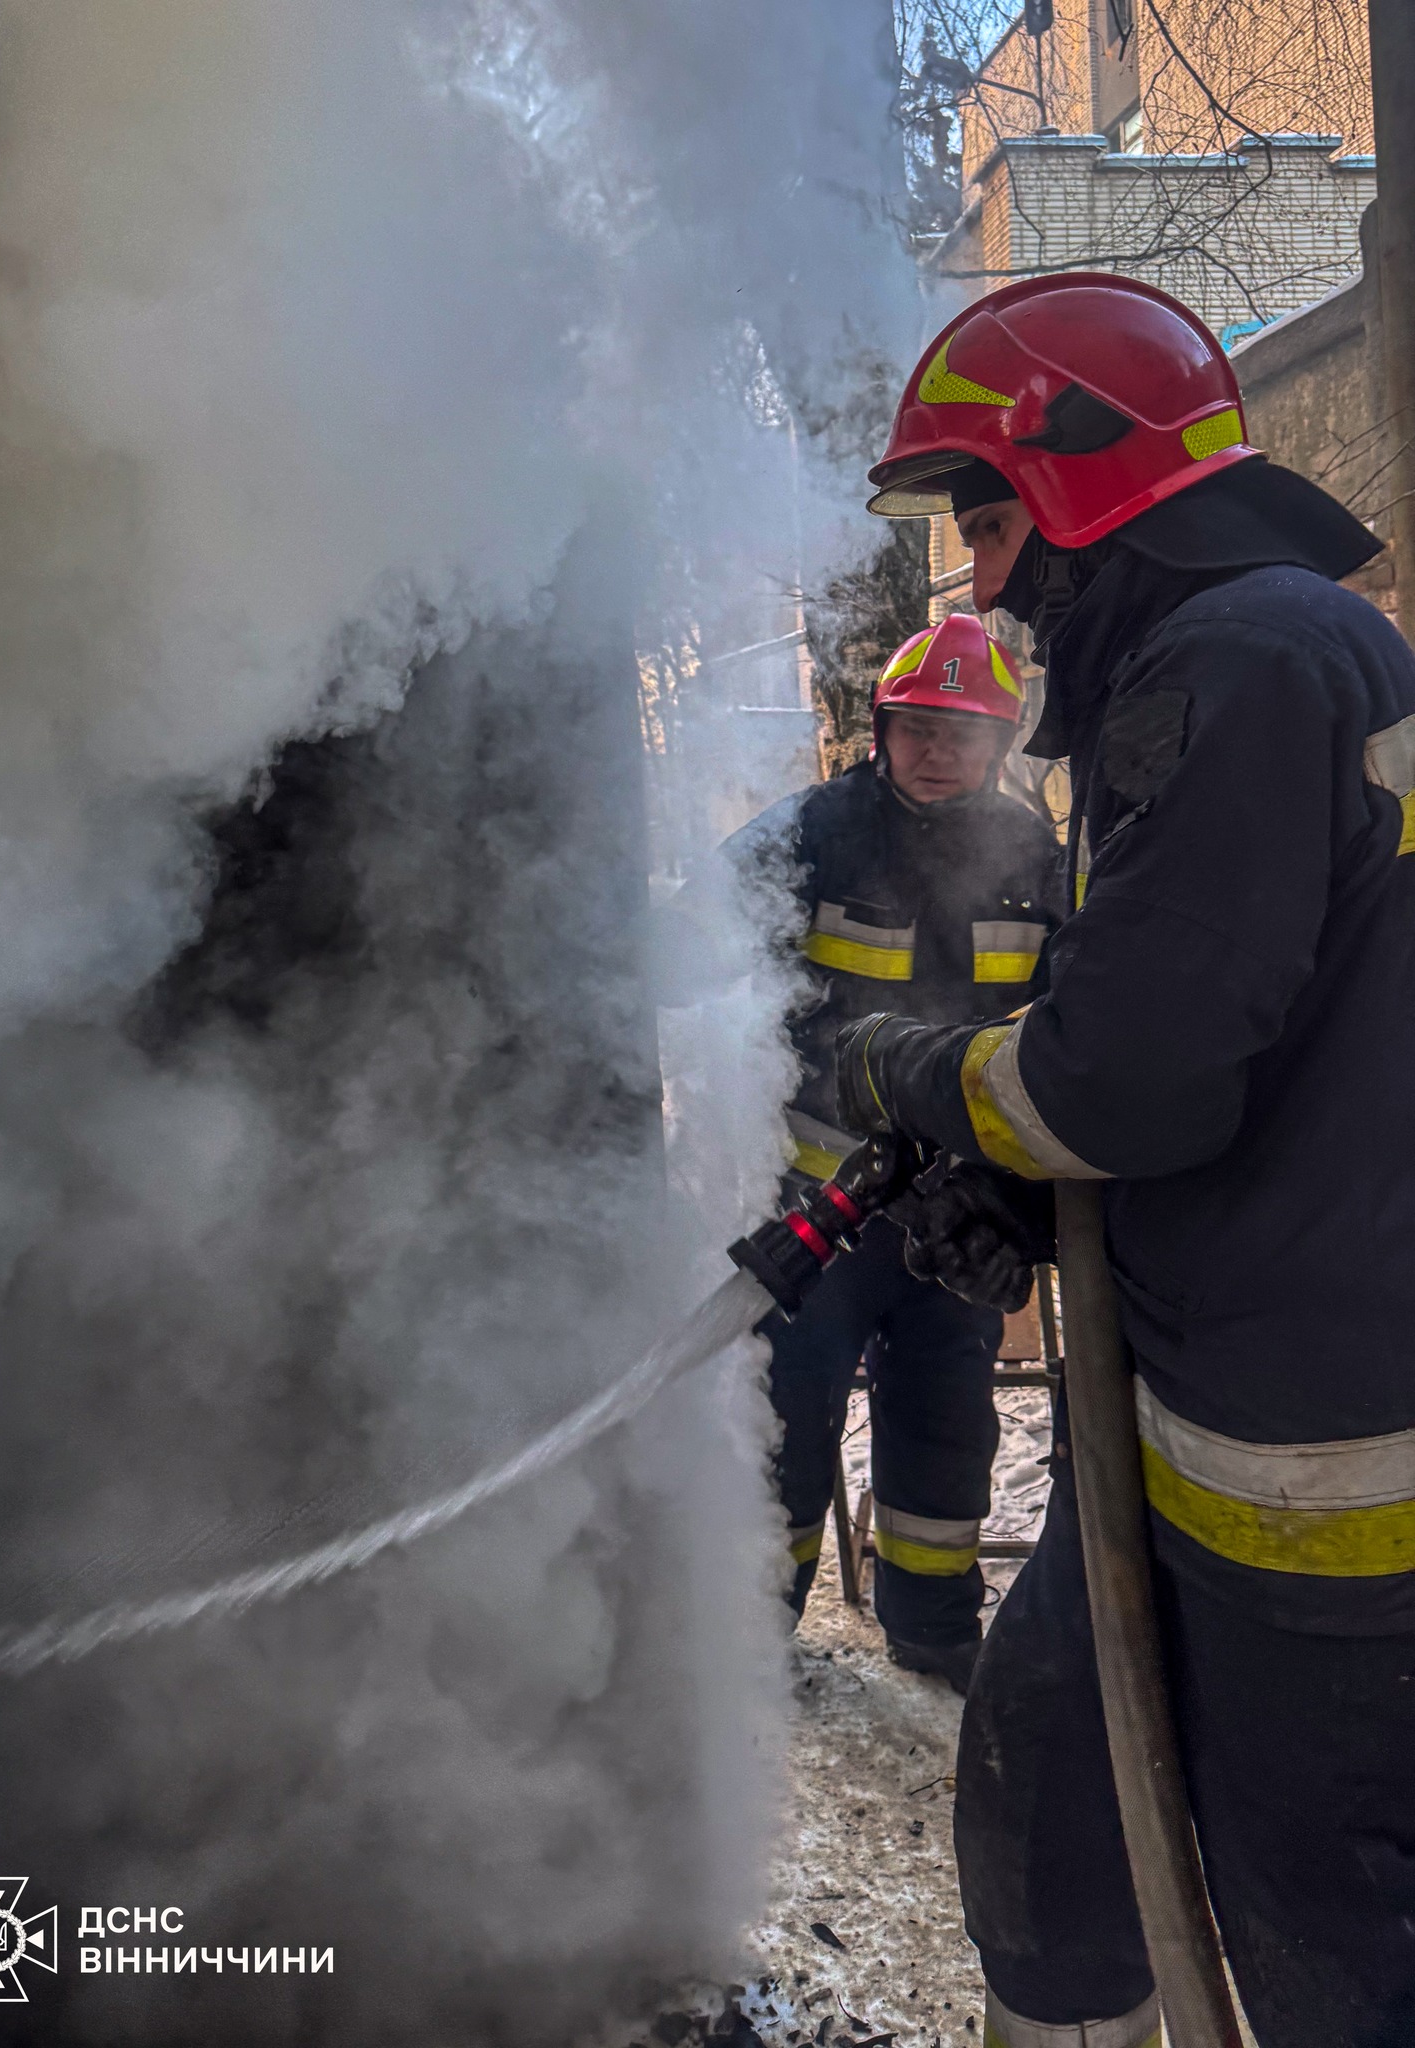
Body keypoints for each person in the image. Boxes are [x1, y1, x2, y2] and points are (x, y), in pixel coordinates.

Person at [837, 272, 1415, 2048]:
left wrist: (912, 1072)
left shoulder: (1234, 665)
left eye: (989, 523)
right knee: (1055, 1813)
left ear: (1081, 483)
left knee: (1330, 1943)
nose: (982, 583)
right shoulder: (1253, 657)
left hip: (1320, 1458)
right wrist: (1030, 1184)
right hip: (1194, 1397)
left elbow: (1128, 1083)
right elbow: (1244, 1027)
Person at [657, 615, 1061, 1692]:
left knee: (947, 1420)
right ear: (881, 732)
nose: (938, 750)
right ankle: (755, 1641)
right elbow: (688, 947)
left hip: (960, 1215)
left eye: (964, 733)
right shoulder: (812, 834)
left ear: (1000, 745)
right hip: (817, 1206)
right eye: (918, 727)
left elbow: (1067, 1021)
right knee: (788, 1422)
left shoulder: (1034, 858)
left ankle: (933, 1629)